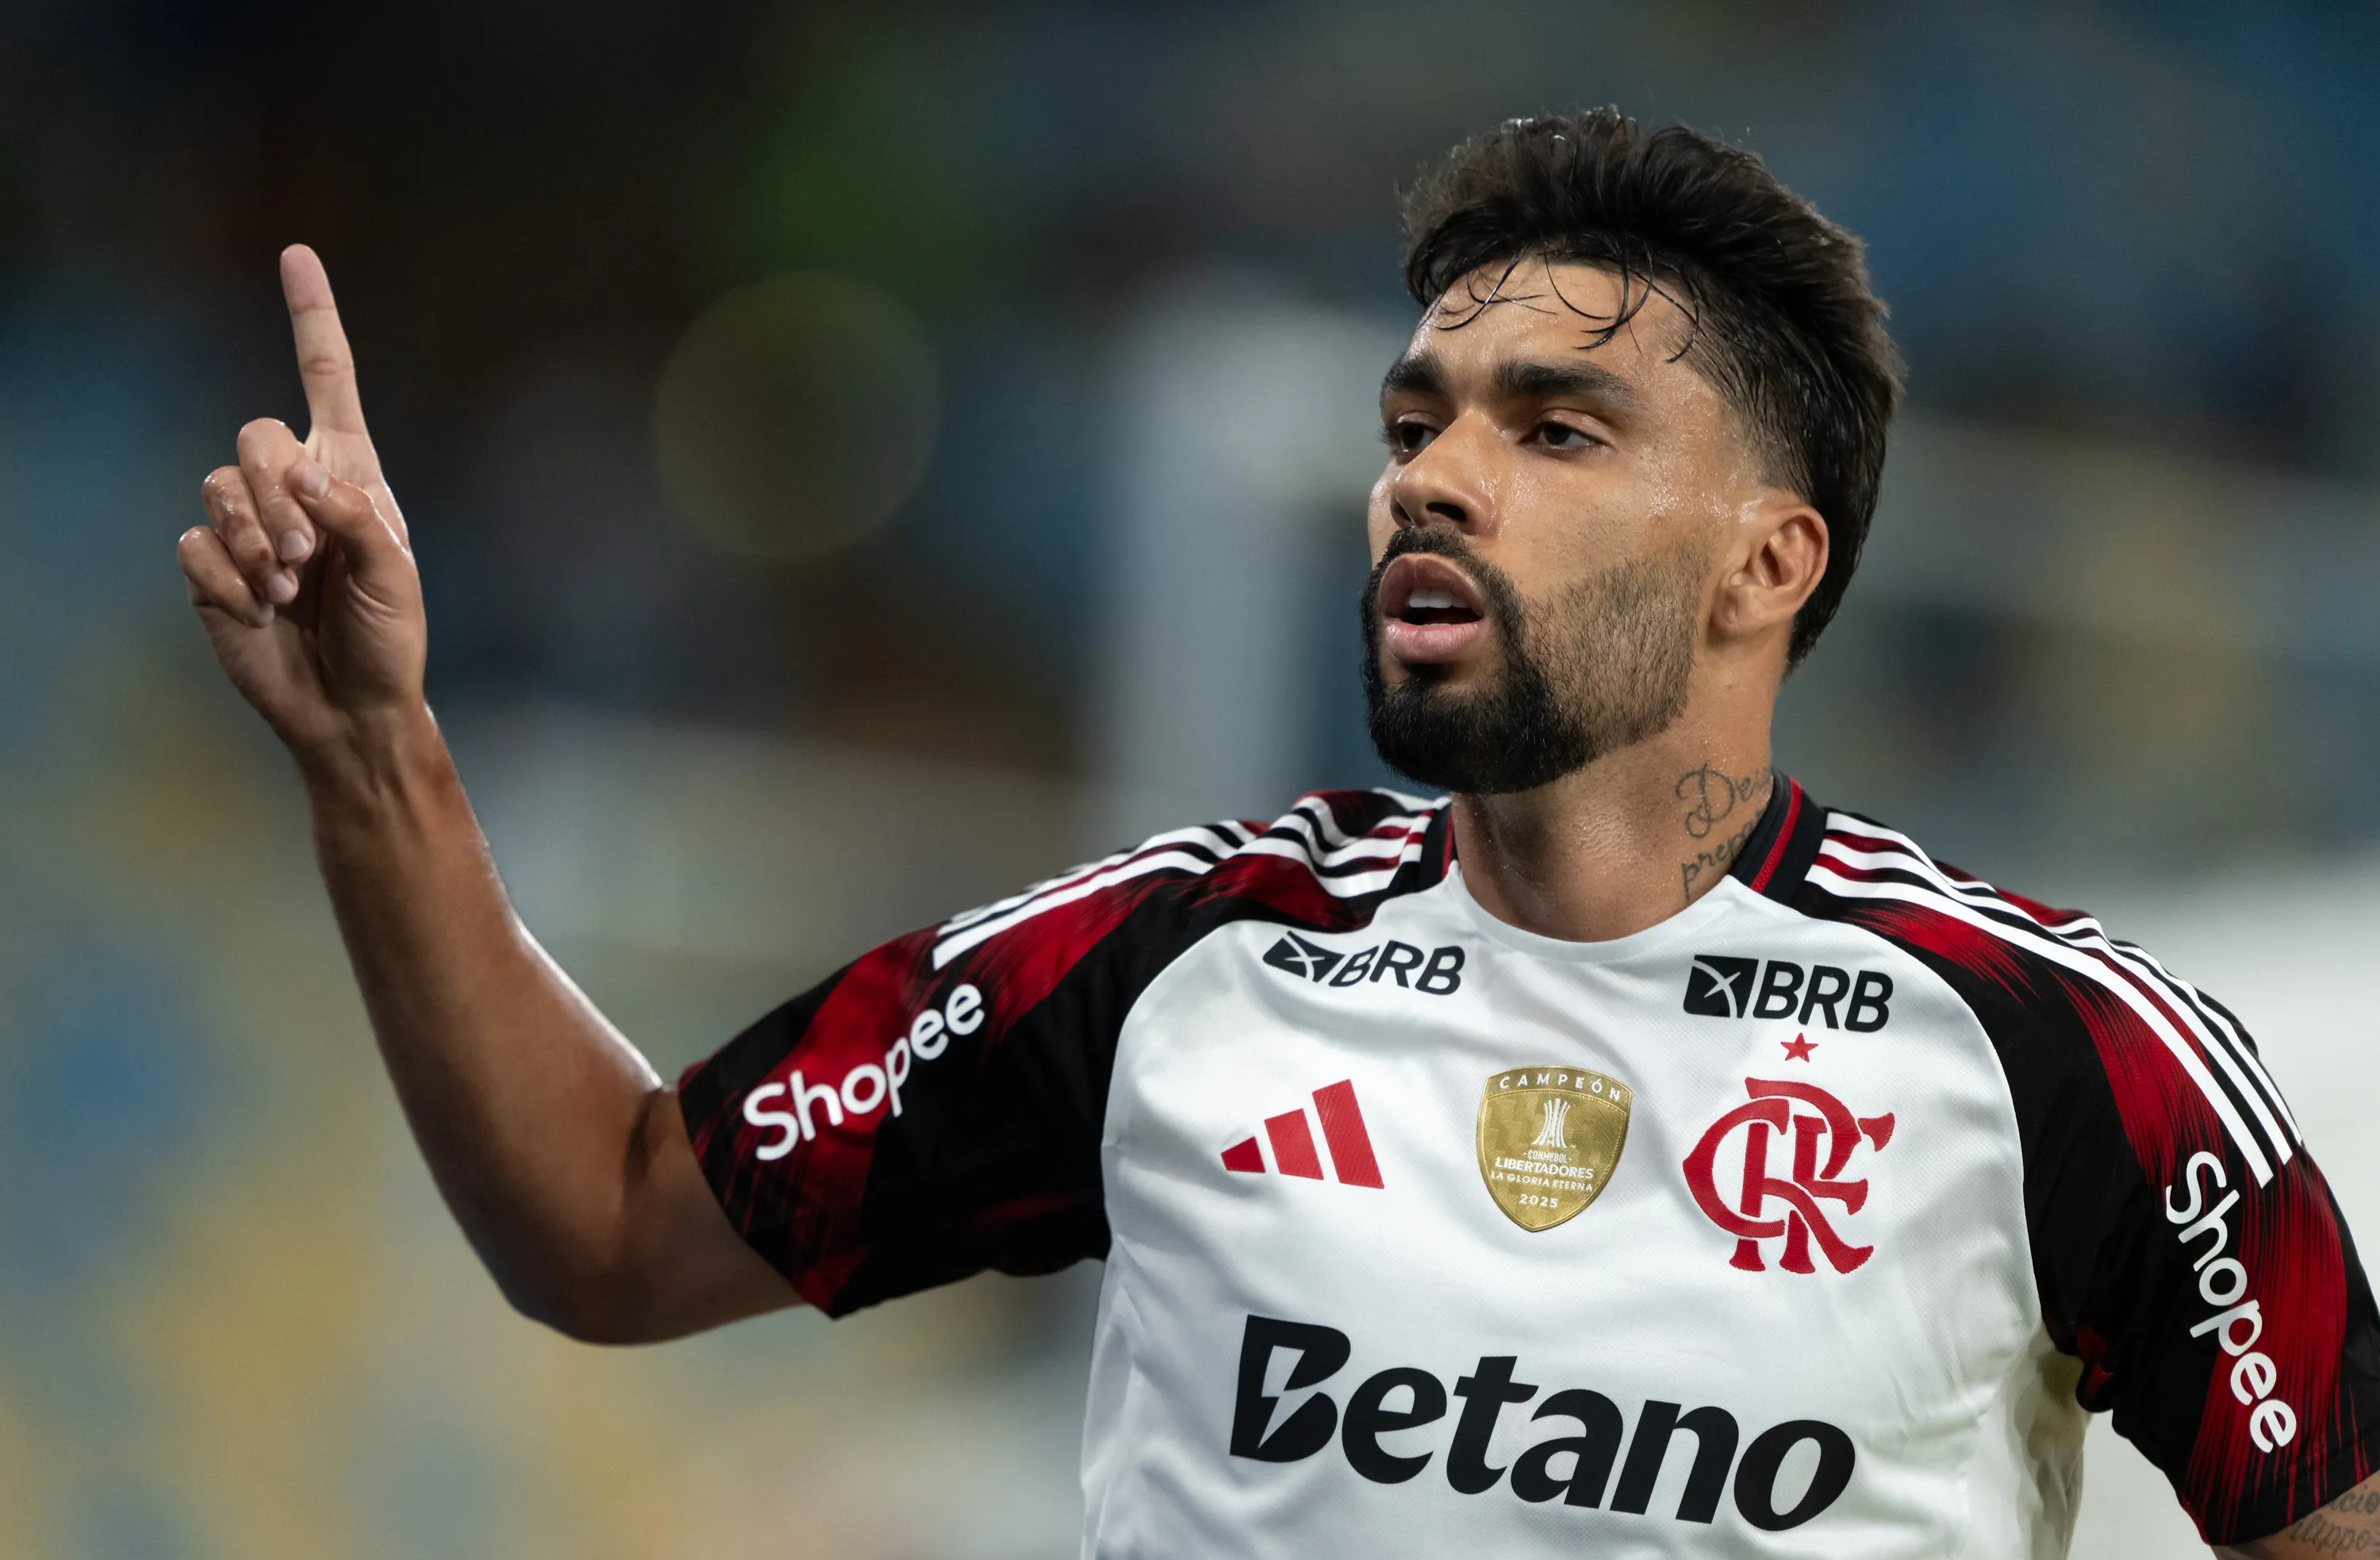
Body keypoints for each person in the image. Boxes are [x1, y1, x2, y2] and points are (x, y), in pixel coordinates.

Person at [175, 109, 2380, 1558]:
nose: (1432, 472)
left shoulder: (2066, 1055)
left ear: (1766, 564)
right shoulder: (1171, 962)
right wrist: (378, 755)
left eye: (1556, 427)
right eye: (1416, 419)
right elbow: (607, 1221)